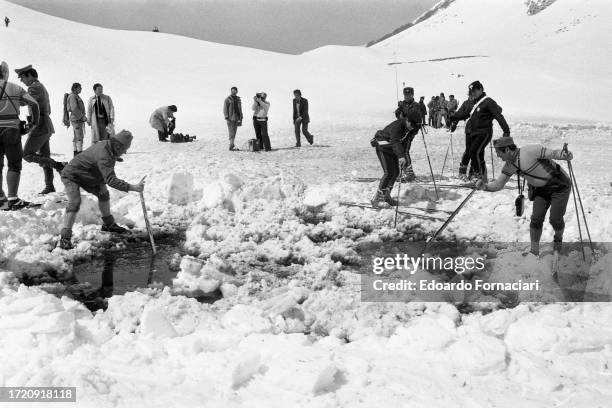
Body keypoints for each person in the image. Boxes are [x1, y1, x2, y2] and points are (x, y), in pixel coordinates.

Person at [476, 137, 573, 256]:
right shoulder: (509, 165)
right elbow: (498, 184)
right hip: (541, 191)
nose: (497, 155)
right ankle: (534, 251)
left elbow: (553, 153)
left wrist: (565, 154)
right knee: (536, 218)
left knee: (555, 219)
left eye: (498, 152)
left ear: (507, 150)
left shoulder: (530, 151)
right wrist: (484, 186)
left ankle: (558, 238)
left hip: (560, 186)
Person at [57, 130, 145, 250]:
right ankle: (65, 238)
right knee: (75, 202)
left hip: (87, 174)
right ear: (118, 145)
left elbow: (99, 164)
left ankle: (109, 225)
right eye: (124, 149)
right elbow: (111, 179)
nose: (124, 152)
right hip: (71, 175)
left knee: (103, 194)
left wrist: (102, 181)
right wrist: (133, 187)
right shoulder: (105, 156)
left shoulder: (108, 146)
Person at [16, 65, 64, 195]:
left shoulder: (34, 87)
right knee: (44, 156)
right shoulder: (40, 86)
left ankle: (60, 166)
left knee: (26, 154)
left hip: (40, 125)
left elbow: (23, 101)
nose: (21, 81)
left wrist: (11, 96)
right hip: (45, 124)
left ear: (29, 76)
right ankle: (50, 186)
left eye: (22, 78)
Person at [449, 80, 510, 181]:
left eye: (475, 91)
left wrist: (506, 130)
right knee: (475, 153)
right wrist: (453, 118)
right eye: (472, 92)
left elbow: (498, 115)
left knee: (473, 152)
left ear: (481, 89)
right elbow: (464, 114)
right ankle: (478, 176)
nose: (473, 93)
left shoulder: (488, 101)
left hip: (484, 132)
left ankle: (478, 176)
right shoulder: (474, 103)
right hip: (473, 132)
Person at [0, 61, 40, 210]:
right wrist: (34, 123)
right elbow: (34, 104)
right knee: (14, 164)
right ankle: (13, 199)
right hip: (11, 130)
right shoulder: (15, 87)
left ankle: (0, 201)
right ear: (5, 73)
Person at [371, 115, 417, 207]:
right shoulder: (398, 126)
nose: (412, 127)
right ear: (407, 120)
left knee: (395, 172)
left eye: (414, 126)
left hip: (391, 149)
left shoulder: (409, 128)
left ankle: (386, 196)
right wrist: (400, 156)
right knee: (388, 173)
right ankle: (377, 199)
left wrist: (403, 157)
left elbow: (402, 144)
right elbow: (395, 141)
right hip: (382, 148)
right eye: (411, 125)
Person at [393, 87, 422, 181]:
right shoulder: (403, 104)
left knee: (405, 151)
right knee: (400, 150)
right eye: (405, 95)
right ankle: (403, 171)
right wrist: (399, 112)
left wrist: (414, 129)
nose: (407, 97)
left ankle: (409, 173)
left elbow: (417, 118)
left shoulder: (416, 105)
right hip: (402, 131)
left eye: (409, 95)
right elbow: (398, 114)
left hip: (411, 130)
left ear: (412, 95)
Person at [451, 95, 474, 180]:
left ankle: (473, 173)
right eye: (471, 94)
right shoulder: (466, 103)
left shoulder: (482, 102)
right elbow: (459, 113)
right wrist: (454, 123)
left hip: (480, 131)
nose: (472, 96)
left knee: (477, 152)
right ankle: (462, 172)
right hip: (469, 130)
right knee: (469, 151)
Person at [64, 83, 87, 156]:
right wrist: (82, 117)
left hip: (77, 119)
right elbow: (74, 108)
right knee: (79, 137)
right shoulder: (73, 96)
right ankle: (79, 155)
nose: (81, 89)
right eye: (80, 88)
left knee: (77, 137)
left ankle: (77, 154)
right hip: (77, 119)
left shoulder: (75, 96)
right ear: (75, 88)